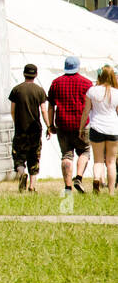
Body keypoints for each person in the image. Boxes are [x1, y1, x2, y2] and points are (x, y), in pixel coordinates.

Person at [46, 56, 92, 194]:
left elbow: (50, 106)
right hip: (81, 125)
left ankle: (67, 187)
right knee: (84, 151)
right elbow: (91, 106)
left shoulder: (56, 83)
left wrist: (50, 125)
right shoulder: (87, 83)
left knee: (66, 155)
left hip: (62, 124)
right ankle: (78, 177)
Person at [78, 64, 118, 196]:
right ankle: (111, 192)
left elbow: (86, 111)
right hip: (112, 128)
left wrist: (81, 127)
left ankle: (96, 178)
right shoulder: (116, 92)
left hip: (96, 127)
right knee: (111, 162)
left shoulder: (92, 91)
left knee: (98, 160)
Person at [8, 63, 48, 193]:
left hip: (20, 130)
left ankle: (21, 173)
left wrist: (16, 122)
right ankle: (32, 186)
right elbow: (43, 110)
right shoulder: (39, 90)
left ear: (24, 73)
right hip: (35, 130)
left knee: (19, 156)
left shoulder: (16, 90)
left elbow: (12, 111)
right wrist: (49, 125)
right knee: (34, 157)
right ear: (35, 74)